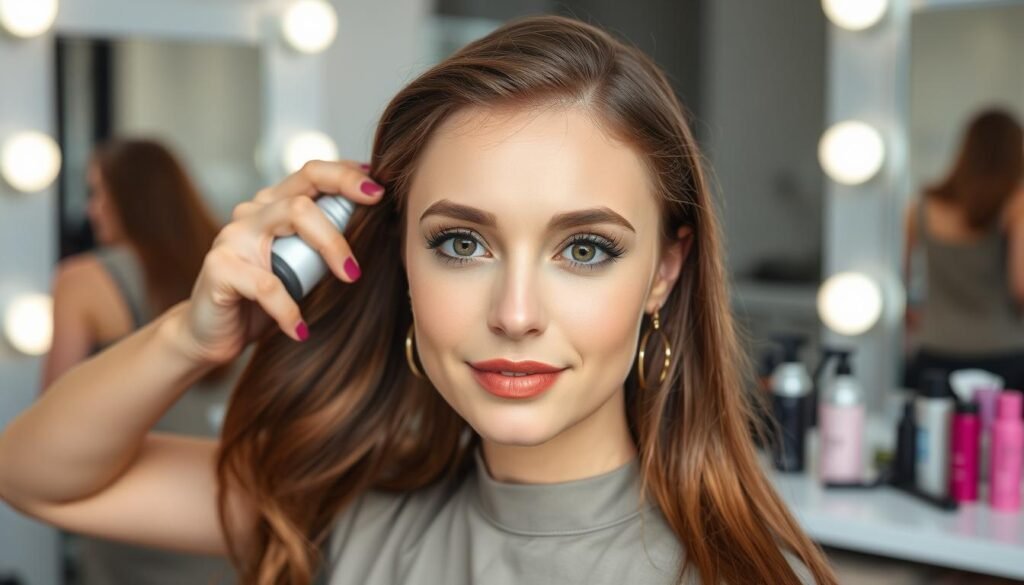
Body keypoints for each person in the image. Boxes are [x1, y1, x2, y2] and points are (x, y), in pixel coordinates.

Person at [0, 15, 837, 585]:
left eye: (584, 249)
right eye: (461, 243)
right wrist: (190, 336)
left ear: (664, 271)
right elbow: (36, 478)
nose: (515, 312)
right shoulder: (349, 517)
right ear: (401, 257)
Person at [40, 138, 243, 585]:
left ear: (130, 197)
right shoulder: (233, 268)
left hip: (135, 512)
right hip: (226, 516)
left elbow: (49, 421)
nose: (91, 210)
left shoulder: (83, 280)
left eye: (97, 193)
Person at [903, 109, 1024, 391]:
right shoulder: (1017, 205)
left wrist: (920, 316)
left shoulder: (921, 208)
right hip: (1003, 355)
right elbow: (1020, 286)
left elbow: (901, 281)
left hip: (934, 352)